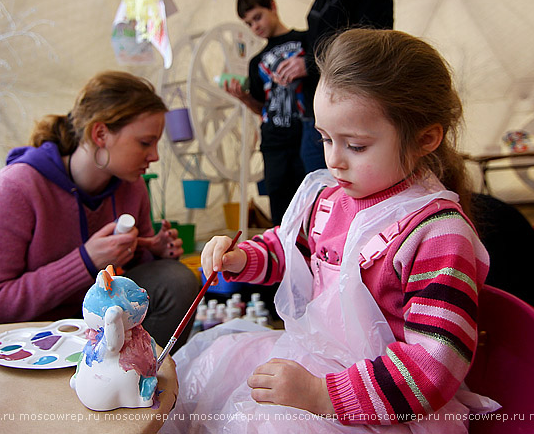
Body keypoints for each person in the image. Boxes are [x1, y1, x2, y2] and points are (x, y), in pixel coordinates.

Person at [162, 30, 497, 432]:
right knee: (215, 364)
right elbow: (290, 251)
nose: (334, 161)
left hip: (384, 404)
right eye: (324, 138)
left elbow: (434, 368)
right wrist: (241, 258)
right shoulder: (331, 201)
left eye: (355, 145)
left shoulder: (436, 234)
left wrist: (321, 396)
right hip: (316, 362)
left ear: (424, 138)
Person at [0, 71, 199, 348]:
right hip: (27, 339)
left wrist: (153, 253)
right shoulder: (17, 187)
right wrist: (85, 261)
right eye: (145, 143)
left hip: (95, 329)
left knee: (177, 280)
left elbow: (137, 284)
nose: (155, 156)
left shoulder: (131, 187)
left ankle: (136, 379)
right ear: (100, 134)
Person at [292, 0, 395, 173]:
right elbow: (317, 43)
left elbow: (372, 47)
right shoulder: (319, 0)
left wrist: (309, 65)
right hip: (320, 119)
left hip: (353, 118)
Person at [225, 0, 310, 224]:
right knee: (281, 210)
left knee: (312, 204)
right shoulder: (256, 62)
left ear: (272, 6)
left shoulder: (305, 41)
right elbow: (261, 106)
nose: (255, 27)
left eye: (257, 17)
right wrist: (243, 98)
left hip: (305, 136)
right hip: (274, 143)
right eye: (249, 24)